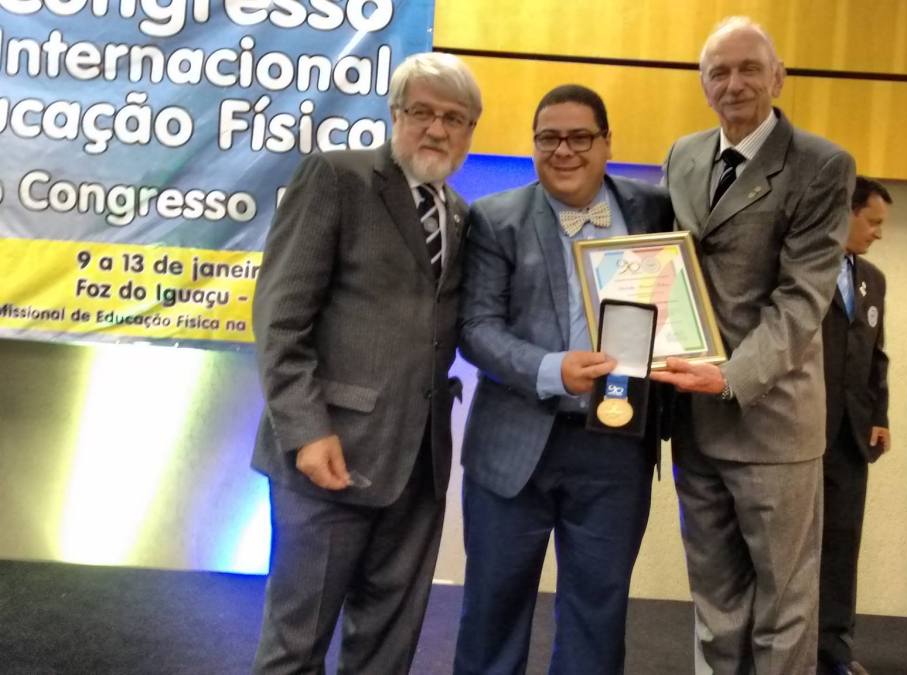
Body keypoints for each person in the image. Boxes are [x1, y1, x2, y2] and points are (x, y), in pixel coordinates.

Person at [249, 52, 481, 674]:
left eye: (453, 118)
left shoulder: (460, 214)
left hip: (419, 467)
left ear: (470, 131)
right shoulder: (336, 176)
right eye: (422, 112)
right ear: (395, 114)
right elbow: (280, 318)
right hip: (330, 456)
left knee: (386, 650)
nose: (436, 129)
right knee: (296, 646)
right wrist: (306, 431)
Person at [653, 16, 856, 674]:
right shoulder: (683, 155)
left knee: (784, 604)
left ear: (778, 78)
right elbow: (664, 263)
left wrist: (732, 376)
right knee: (714, 600)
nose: (733, 83)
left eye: (748, 69)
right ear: (703, 85)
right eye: (719, 72)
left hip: (773, 422)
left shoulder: (821, 165)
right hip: (694, 420)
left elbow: (803, 297)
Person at [452, 84, 674, 675]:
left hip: (616, 444)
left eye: (580, 137)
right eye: (548, 138)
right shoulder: (494, 217)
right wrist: (552, 370)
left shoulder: (655, 209)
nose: (564, 150)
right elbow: (476, 328)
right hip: (512, 447)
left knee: (598, 614)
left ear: (607, 143)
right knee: (493, 609)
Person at [818, 177, 894, 675]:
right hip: (799, 432)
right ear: (845, 211)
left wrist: (880, 415)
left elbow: (875, 354)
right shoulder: (801, 267)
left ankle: (834, 653)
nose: (878, 234)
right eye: (873, 222)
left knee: (843, 547)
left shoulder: (872, 279)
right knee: (790, 551)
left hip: (852, 436)